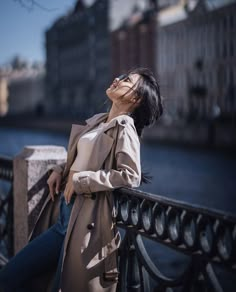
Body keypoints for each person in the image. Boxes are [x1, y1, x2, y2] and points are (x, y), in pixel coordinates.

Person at [0, 67, 163, 292]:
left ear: (135, 98)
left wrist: (81, 181)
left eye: (127, 80)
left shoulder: (125, 127)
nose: (117, 79)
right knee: (11, 274)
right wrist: (59, 169)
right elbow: (80, 158)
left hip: (86, 223)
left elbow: (130, 175)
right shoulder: (100, 121)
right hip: (63, 220)